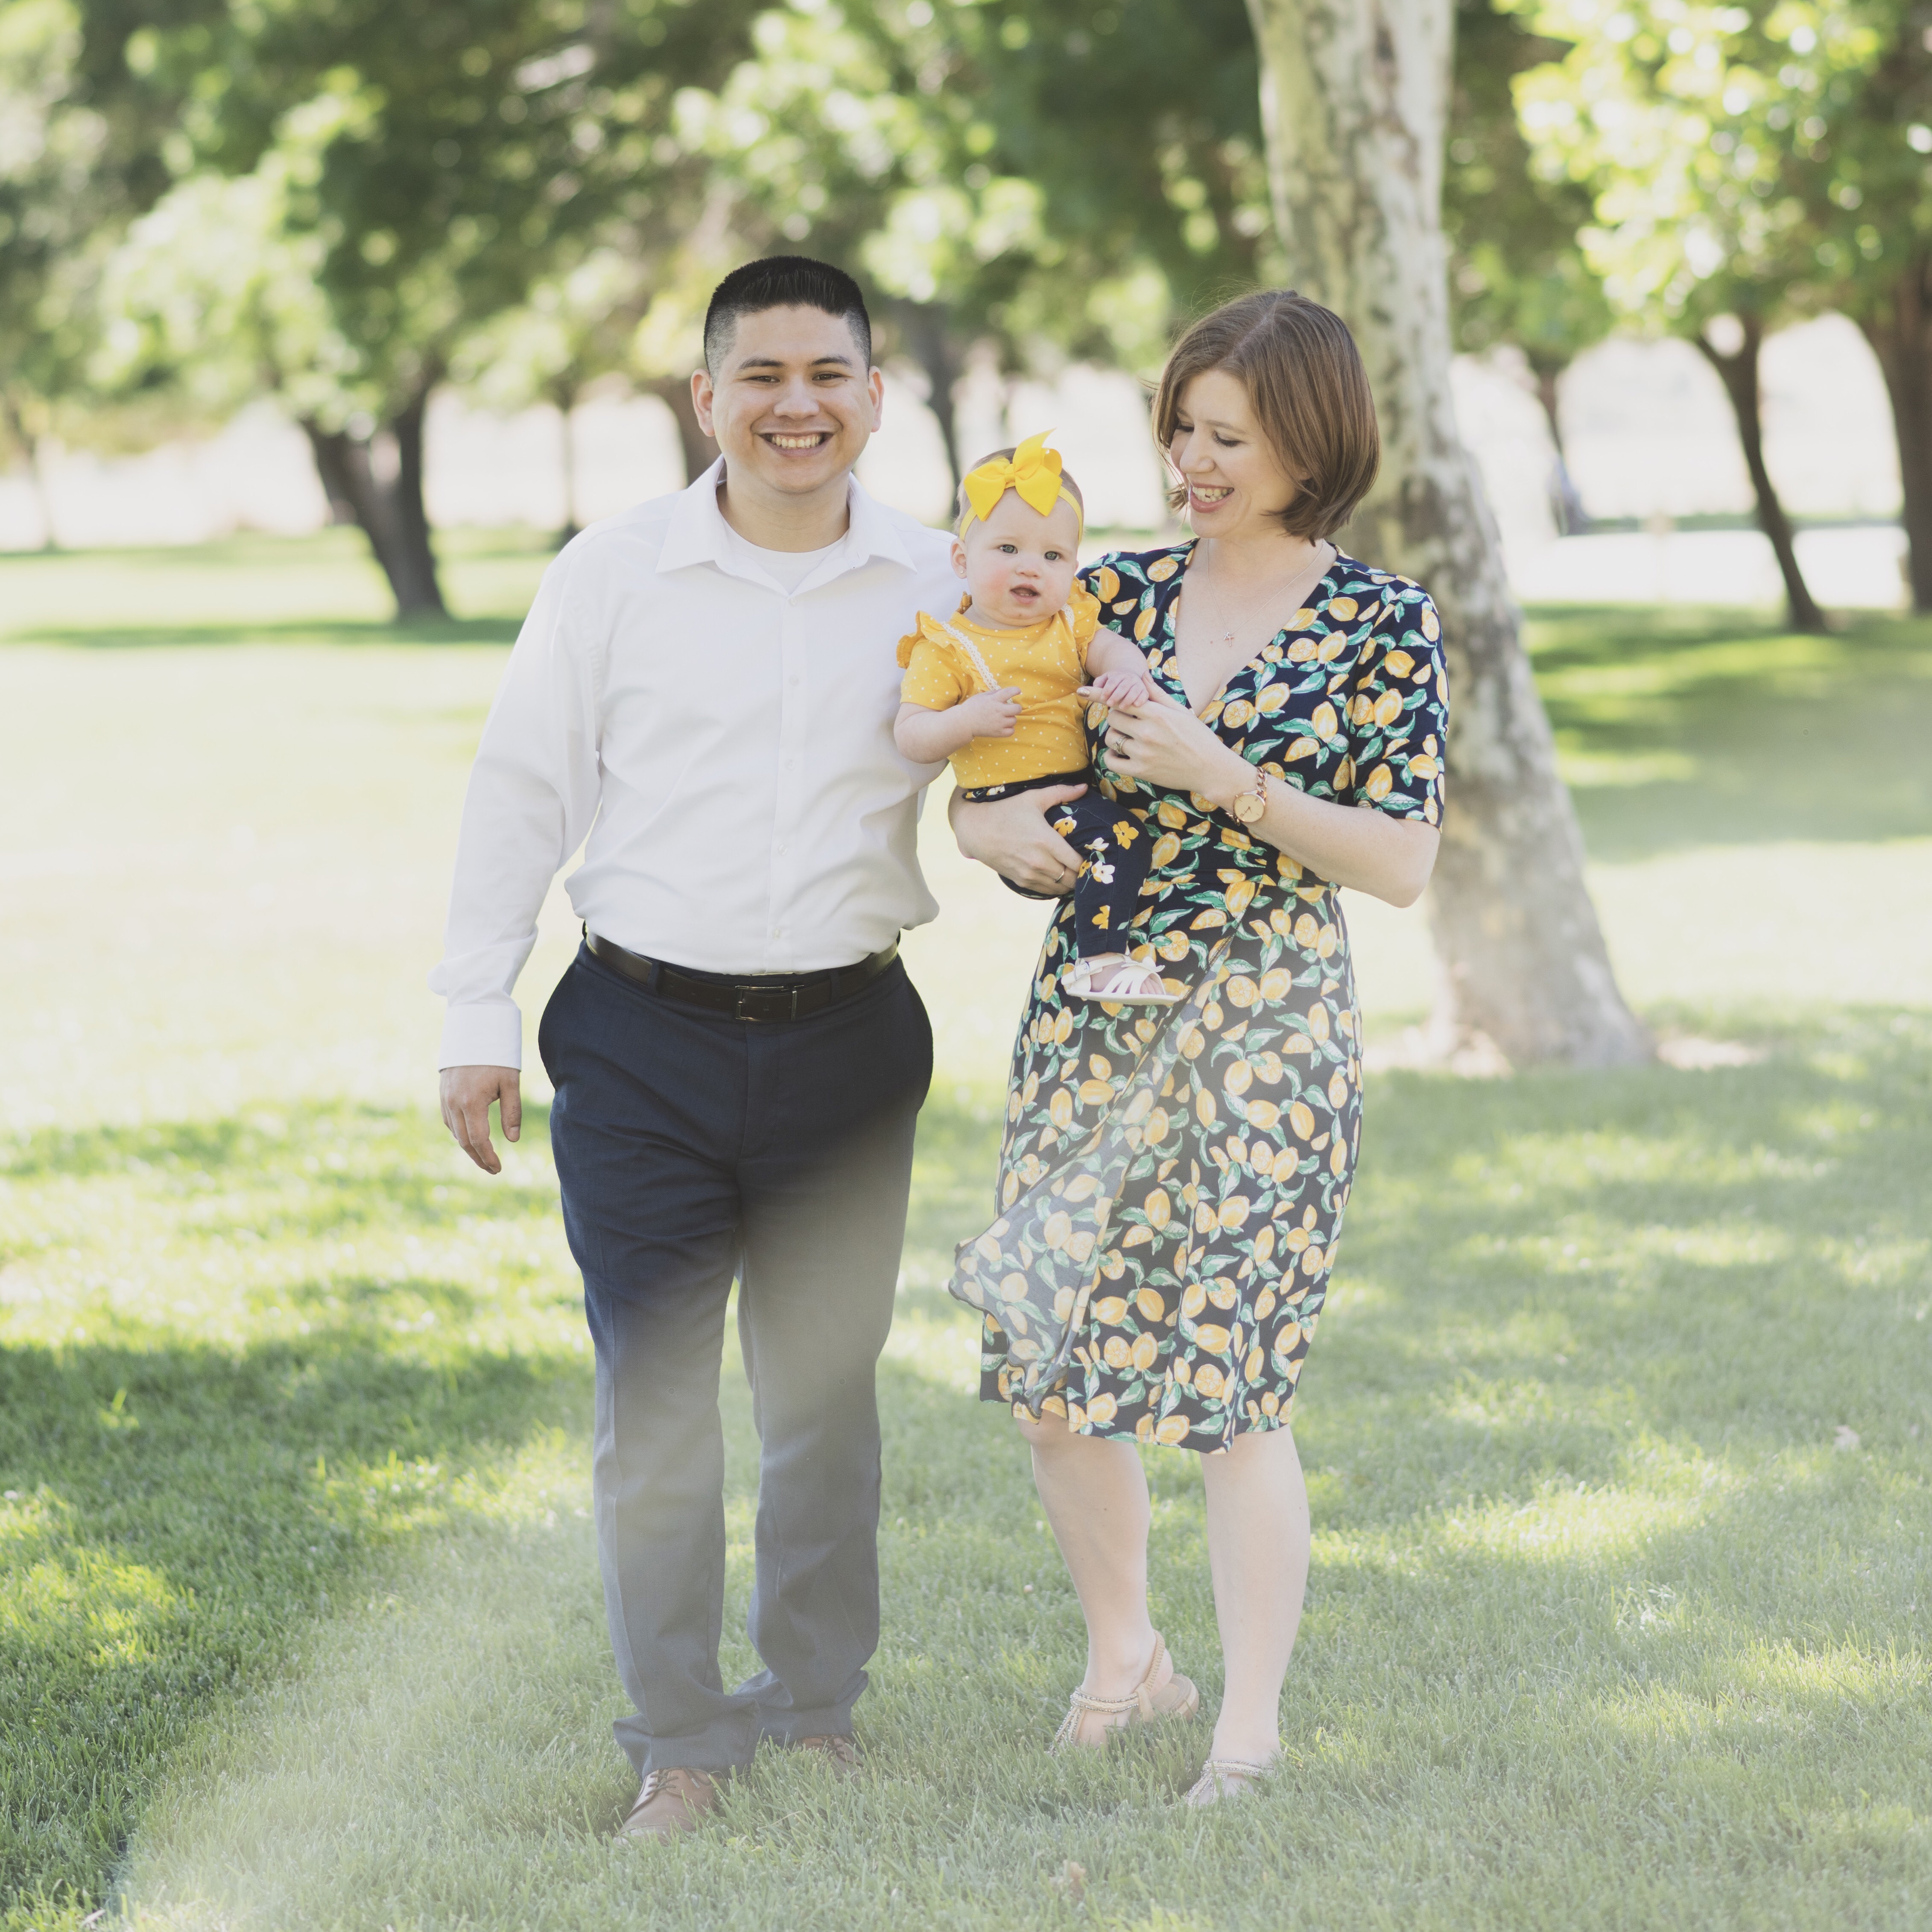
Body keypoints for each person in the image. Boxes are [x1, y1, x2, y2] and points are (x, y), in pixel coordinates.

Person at [433, 254, 959, 1841]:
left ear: (872, 393)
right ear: (706, 395)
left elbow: (1025, 755)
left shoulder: (941, 577)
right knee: (651, 1400)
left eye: (827, 375)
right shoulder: (614, 572)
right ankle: (678, 1737)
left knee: (821, 1401)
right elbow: (519, 790)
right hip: (638, 1038)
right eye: (762, 375)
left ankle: (812, 1714)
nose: (794, 405)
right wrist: (473, 1016)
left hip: (849, 1041)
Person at [949, 290, 1448, 1807]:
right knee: (1046, 1365)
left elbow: (1404, 859)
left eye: (1224, 434)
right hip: (1090, 1020)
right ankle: (1127, 1657)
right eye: (1178, 426)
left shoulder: (1379, 619)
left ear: (1309, 438)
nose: (1189, 458)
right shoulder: (1105, 594)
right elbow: (989, 760)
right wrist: (985, 829)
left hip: (1264, 1036)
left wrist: (1229, 779)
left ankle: (1246, 1731)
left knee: (1230, 1389)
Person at [892, 433, 1166, 1000]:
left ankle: (1101, 954)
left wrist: (1124, 674)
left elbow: (1112, 648)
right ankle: (1100, 965)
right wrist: (965, 720)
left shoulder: (1068, 624)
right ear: (961, 560)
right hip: (1005, 799)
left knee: (1117, 845)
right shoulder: (945, 648)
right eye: (1007, 550)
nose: (1031, 569)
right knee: (1123, 840)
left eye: (1052, 556)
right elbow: (912, 735)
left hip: (1072, 793)